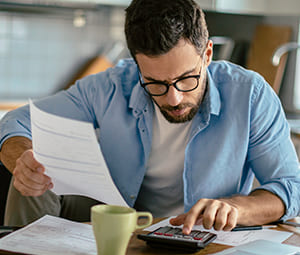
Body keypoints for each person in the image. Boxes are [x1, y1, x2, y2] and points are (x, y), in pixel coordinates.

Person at [0, 0, 300, 233]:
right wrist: (22, 158)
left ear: (207, 54)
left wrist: (234, 208)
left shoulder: (250, 94)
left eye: (187, 79)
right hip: (117, 219)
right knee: (32, 168)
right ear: (136, 65)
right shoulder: (111, 85)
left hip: (198, 235)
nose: (174, 98)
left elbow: (290, 187)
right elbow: (17, 121)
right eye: (155, 83)